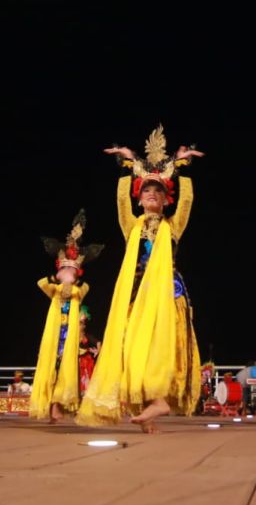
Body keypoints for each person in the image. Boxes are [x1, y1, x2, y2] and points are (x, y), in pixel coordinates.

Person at [76, 125, 204, 433]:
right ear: (139, 197)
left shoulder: (172, 227)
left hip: (166, 293)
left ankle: (159, 401)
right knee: (133, 347)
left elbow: (186, 201)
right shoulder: (131, 227)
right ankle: (146, 407)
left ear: (165, 200)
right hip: (136, 294)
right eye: (146, 191)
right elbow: (121, 200)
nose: (151, 195)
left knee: (160, 345)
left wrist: (181, 164)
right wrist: (129, 163)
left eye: (157, 192)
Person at [30, 210, 104, 422]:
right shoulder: (54, 288)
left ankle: (59, 407)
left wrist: (71, 279)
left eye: (72, 271)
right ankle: (50, 405)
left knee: (66, 369)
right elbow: (41, 283)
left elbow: (82, 289)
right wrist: (58, 277)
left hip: (68, 335)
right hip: (55, 335)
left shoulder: (78, 290)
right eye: (65, 270)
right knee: (51, 366)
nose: (68, 274)